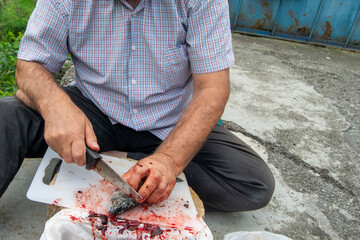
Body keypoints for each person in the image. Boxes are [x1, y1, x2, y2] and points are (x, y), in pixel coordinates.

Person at [0, 0, 274, 211]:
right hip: (94, 112)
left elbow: (212, 89)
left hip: (171, 122)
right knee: (7, 117)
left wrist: (169, 160)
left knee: (251, 185)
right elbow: (30, 65)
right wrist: (56, 105)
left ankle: (130, 159)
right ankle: (126, 161)